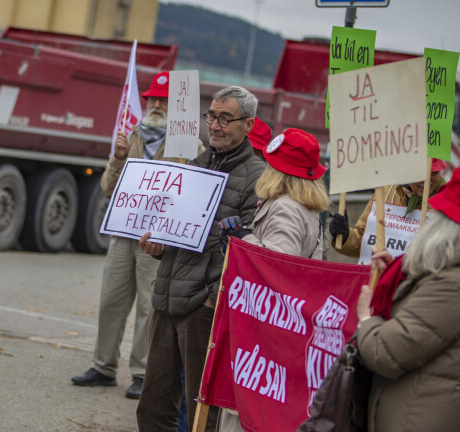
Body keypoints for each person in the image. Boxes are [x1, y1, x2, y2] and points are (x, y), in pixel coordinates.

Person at [135, 86, 266, 431]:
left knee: (201, 415)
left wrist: (211, 299)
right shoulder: (194, 165)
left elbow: (249, 250)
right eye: (211, 115)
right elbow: (173, 228)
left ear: (248, 124)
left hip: (203, 309)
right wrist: (158, 243)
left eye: (226, 118)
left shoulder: (258, 178)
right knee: (153, 408)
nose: (215, 124)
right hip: (166, 298)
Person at [355, 157, 460, 432]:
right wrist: (396, 275)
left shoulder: (453, 286)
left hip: (418, 418)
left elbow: (384, 353)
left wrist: (366, 318)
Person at [71, 70, 198, 400]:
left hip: (157, 241)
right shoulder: (132, 135)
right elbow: (107, 187)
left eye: (163, 100)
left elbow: (194, 190)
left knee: (148, 308)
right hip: (123, 235)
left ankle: (143, 372)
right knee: (111, 300)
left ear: (174, 106)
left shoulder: (188, 143)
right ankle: (103, 367)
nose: (156, 104)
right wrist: (119, 158)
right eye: (152, 99)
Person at [216, 128, 330, 431]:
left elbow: (278, 270)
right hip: (281, 328)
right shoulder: (301, 207)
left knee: (244, 412)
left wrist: (241, 240)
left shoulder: (287, 209)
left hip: (266, 332)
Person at [328, 158, 446, 263]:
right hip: (380, 282)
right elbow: (364, 242)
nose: (427, 179)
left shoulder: (449, 201)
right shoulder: (385, 192)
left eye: (434, 173)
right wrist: (345, 236)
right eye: (420, 173)